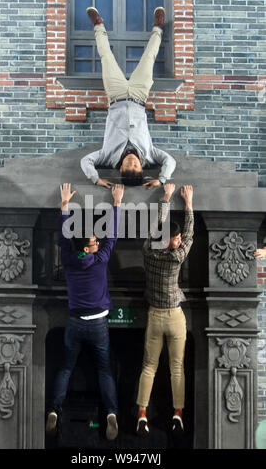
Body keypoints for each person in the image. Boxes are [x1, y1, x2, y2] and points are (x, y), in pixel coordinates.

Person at [45, 182, 124, 441]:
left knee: (66, 368)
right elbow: (112, 235)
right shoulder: (100, 260)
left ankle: (55, 410)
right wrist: (116, 203)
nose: (97, 241)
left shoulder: (69, 259)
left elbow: (62, 237)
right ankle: (111, 412)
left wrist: (64, 205)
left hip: (75, 322)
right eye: (93, 241)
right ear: (89, 248)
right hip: (99, 324)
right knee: (104, 370)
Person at [80, 7, 176, 189]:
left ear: (121, 169)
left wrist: (95, 178)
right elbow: (169, 161)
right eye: (136, 165)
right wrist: (162, 179)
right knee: (149, 57)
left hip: (115, 95)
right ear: (142, 166)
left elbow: (86, 160)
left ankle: (98, 25)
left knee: (105, 57)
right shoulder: (150, 154)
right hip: (139, 96)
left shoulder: (107, 156)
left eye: (128, 166)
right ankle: (158, 27)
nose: (132, 161)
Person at [136, 183, 194, 437]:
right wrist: (188, 204)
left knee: (149, 366)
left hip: (154, 316)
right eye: (176, 237)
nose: (180, 239)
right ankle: (177, 412)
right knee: (176, 367)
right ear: (170, 241)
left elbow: (156, 228)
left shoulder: (149, 251)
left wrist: (166, 197)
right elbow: (191, 234)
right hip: (174, 317)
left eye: (179, 238)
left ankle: (141, 413)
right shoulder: (177, 256)